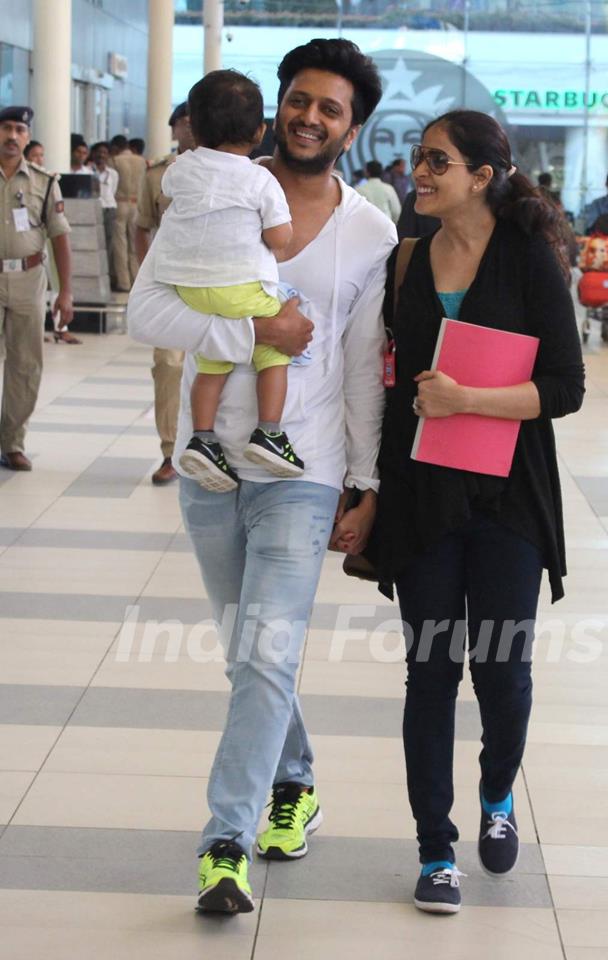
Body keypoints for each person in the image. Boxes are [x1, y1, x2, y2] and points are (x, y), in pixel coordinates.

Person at [127, 38, 396, 914]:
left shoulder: (369, 229)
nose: (311, 118)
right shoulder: (212, 189)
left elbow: (359, 363)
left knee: (265, 651)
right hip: (214, 462)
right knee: (252, 656)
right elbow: (146, 311)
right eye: (302, 100)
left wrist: (365, 480)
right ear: (277, 102)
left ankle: (223, 845)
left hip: (303, 463)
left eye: (333, 109)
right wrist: (253, 336)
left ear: (353, 128)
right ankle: (296, 783)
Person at [373, 110, 584, 914]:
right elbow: (393, 391)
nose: (419, 172)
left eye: (436, 161)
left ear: (482, 176)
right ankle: (435, 849)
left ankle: (498, 797)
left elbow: (564, 387)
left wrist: (470, 400)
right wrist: (371, 496)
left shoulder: (530, 256)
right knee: (430, 674)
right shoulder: (406, 259)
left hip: (509, 501)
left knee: (502, 671)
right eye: (419, 159)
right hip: (425, 500)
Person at [154, 70, 302, 490]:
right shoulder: (260, 179)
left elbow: (172, 194)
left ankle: (202, 439)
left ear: (193, 127)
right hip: (239, 289)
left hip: (189, 290)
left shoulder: (180, 169)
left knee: (213, 362)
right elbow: (278, 238)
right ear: (261, 132)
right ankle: (270, 433)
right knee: (275, 350)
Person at [0, 106, 74, 472]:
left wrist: (66, 292)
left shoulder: (44, 182)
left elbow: (59, 236)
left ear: (27, 137)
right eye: (6, 128)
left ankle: (13, 442)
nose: (12, 136)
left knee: (25, 365)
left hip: (29, 280)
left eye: (19, 130)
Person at [135, 102, 194, 486]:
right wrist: (146, 279)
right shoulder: (157, 173)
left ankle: (211, 449)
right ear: (174, 128)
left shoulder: (243, 173)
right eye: (186, 122)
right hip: (171, 288)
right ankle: (171, 451)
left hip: (224, 290)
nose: (193, 128)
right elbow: (142, 226)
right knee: (169, 368)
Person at [109, 133, 146, 291]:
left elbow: (111, 184)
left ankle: (123, 282)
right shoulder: (142, 161)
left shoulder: (115, 160)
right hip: (136, 204)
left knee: (120, 244)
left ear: (116, 147)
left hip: (120, 203)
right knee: (134, 245)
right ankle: (136, 279)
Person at [90, 141, 119, 286]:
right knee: (93, 244)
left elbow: (112, 191)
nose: (101, 155)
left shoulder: (113, 173)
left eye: (104, 152)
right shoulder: (89, 171)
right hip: (93, 210)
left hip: (109, 210)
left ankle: (106, 278)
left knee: (108, 244)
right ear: (93, 154)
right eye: (98, 152)